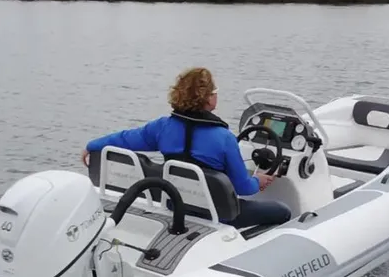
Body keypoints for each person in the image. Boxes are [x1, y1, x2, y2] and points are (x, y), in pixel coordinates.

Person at [81, 67, 292, 229]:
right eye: (215, 91)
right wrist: (259, 180)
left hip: (176, 206)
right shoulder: (224, 138)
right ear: (208, 98)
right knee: (283, 211)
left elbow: (125, 139)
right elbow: (244, 188)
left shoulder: (162, 127)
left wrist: (93, 145)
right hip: (218, 214)